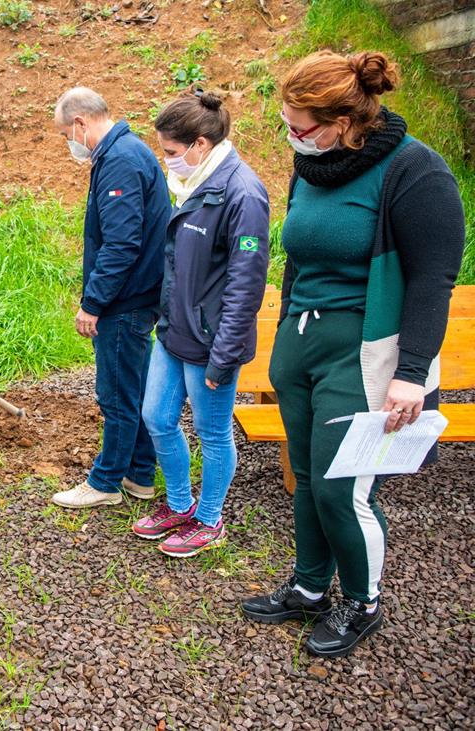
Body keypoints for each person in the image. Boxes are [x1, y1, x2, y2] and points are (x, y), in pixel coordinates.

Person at [240, 51, 465, 657]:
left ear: (344, 119)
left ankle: (362, 604)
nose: (294, 138)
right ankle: (310, 588)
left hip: (367, 353)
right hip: (302, 346)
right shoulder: (312, 166)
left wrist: (412, 374)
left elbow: (432, 280)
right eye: (287, 125)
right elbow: (301, 256)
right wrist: (286, 330)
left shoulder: (415, 171)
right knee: (309, 480)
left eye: (303, 127)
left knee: (344, 488)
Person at [133, 89, 270, 557]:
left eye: (171, 152)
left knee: (212, 433)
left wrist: (224, 354)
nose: (166, 160)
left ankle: (209, 519)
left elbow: (246, 286)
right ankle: (178, 504)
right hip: (173, 332)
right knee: (156, 416)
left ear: (200, 145)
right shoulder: (193, 184)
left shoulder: (244, 194)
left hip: (212, 343)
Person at [49, 87, 170, 509]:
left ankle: (104, 482)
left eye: (67, 133)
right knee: (130, 387)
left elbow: (121, 244)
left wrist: (93, 302)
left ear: (81, 123)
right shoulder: (126, 153)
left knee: (115, 394)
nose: (69, 143)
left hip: (125, 299)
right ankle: (139, 475)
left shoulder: (119, 161)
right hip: (137, 295)